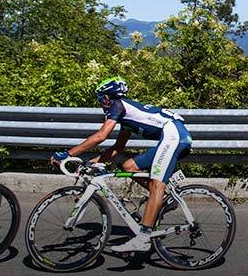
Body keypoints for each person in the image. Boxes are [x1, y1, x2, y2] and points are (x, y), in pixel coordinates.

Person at [51, 77, 192, 252]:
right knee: (129, 166)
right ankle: (163, 200)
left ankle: (143, 238)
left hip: (174, 136)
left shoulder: (118, 105)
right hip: (173, 135)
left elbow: (100, 136)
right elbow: (117, 149)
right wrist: (90, 163)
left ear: (109, 97)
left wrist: (67, 153)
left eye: (101, 99)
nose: (101, 104)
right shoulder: (127, 115)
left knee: (157, 184)